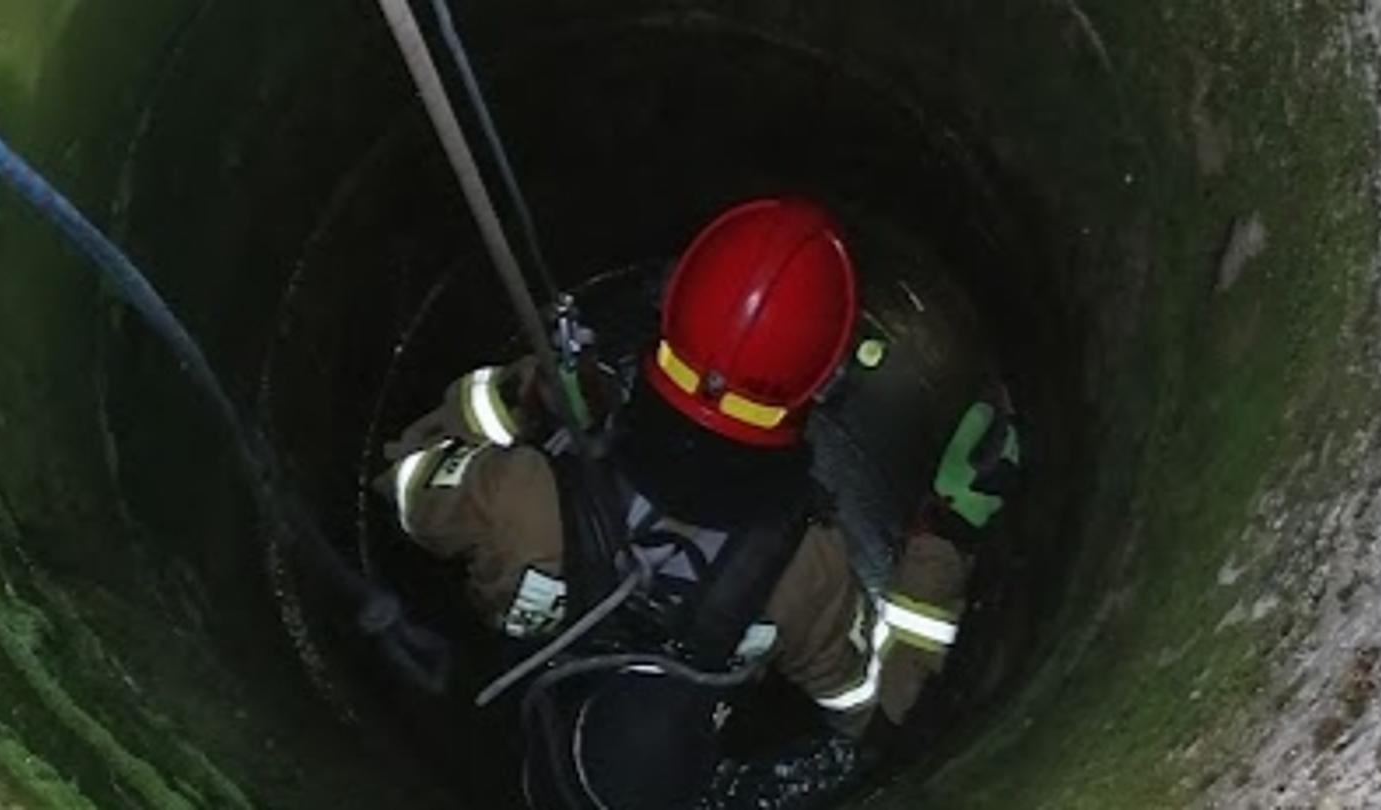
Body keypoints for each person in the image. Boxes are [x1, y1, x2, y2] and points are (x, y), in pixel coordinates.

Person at [376, 197, 1019, 809]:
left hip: (519, 692)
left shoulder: (514, 498)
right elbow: (875, 711)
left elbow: (404, 478)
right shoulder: (806, 574)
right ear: (818, 387)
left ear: (668, 327)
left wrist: (520, 399)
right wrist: (943, 536)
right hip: (667, 745)